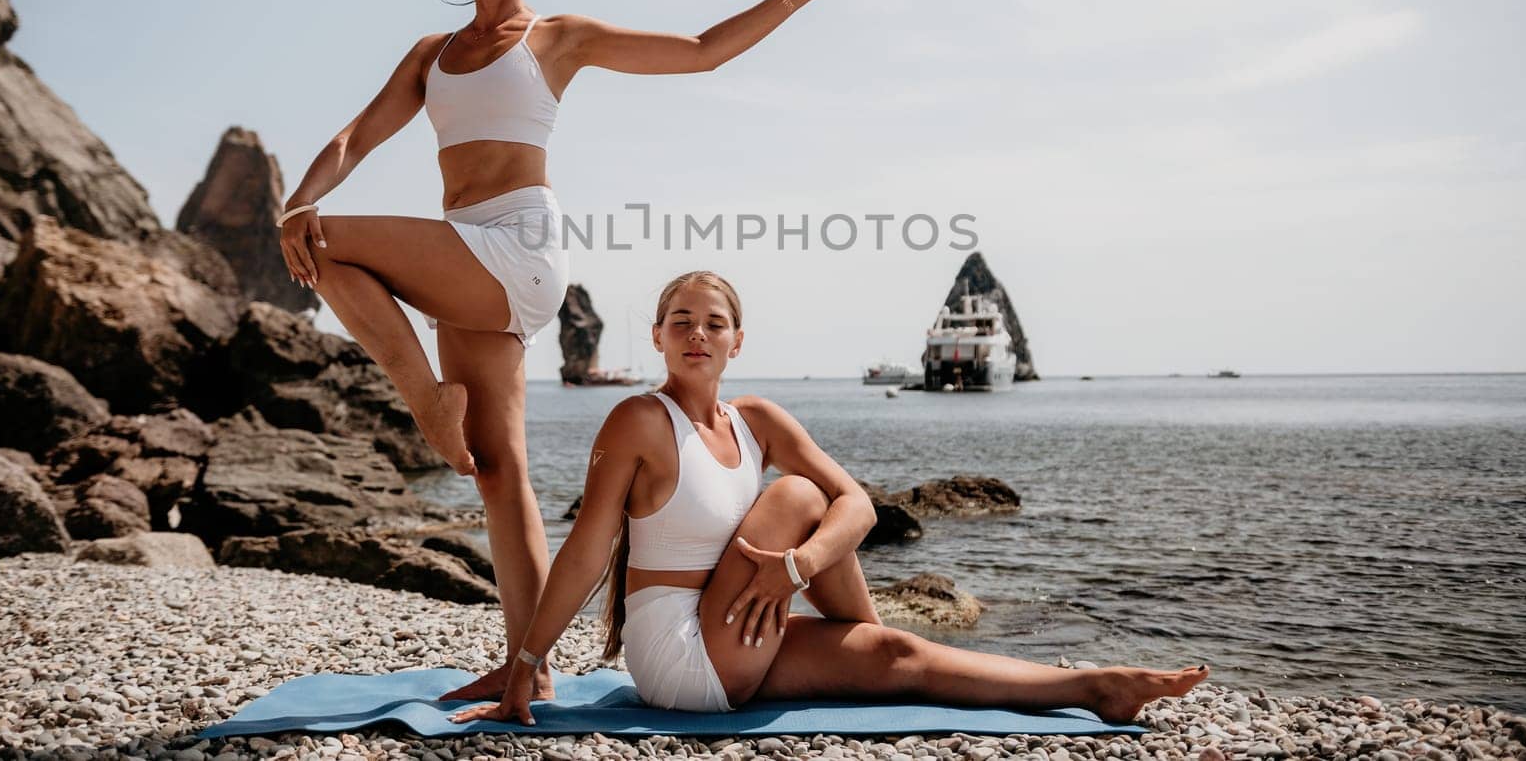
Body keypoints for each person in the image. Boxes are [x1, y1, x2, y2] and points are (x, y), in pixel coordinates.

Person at [275, 0, 870, 704]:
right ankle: (530, 662)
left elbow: (701, 53)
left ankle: (422, 397)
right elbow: (354, 135)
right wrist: (300, 193)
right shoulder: (430, 56)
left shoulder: (557, 37)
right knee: (498, 469)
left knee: (325, 237)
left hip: (516, 244)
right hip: (463, 258)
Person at [450, 271, 1211, 726]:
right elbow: (587, 547)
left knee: (897, 650)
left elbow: (864, 507)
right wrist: (526, 661)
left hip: (742, 620)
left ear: (737, 341)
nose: (697, 334)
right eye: (681, 321)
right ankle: (856, 635)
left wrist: (799, 567)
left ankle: (1094, 685)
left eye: (714, 323)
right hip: (678, 648)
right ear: (655, 335)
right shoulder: (640, 420)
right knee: (798, 494)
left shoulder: (758, 420)